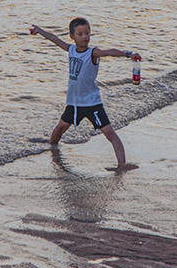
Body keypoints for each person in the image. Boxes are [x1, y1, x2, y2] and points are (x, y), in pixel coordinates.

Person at [30, 17, 140, 170]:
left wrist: (128, 54)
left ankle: (122, 164)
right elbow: (54, 39)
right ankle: (52, 149)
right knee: (60, 128)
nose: (84, 37)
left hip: (92, 103)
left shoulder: (92, 53)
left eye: (87, 33)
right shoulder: (71, 50)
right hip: (74, 103)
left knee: (109, 133)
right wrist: (39, 30)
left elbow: (108, 52)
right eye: (80, 34)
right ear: (72, 36)